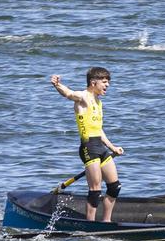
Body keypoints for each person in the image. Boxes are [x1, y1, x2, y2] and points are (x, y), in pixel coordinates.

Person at [50, 68, 124, 222]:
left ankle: (106, 222)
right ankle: (90, 224)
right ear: (93, 82)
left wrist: (112, 148)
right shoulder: (84, 97)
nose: (107, 85)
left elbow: (99, 130)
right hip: (88, 148)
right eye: (104, 82)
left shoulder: (99, 102)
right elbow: (69, 94)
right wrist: (57, 85)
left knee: (114, 186)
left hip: (100, 147)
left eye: (108, 82)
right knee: (95, 190)